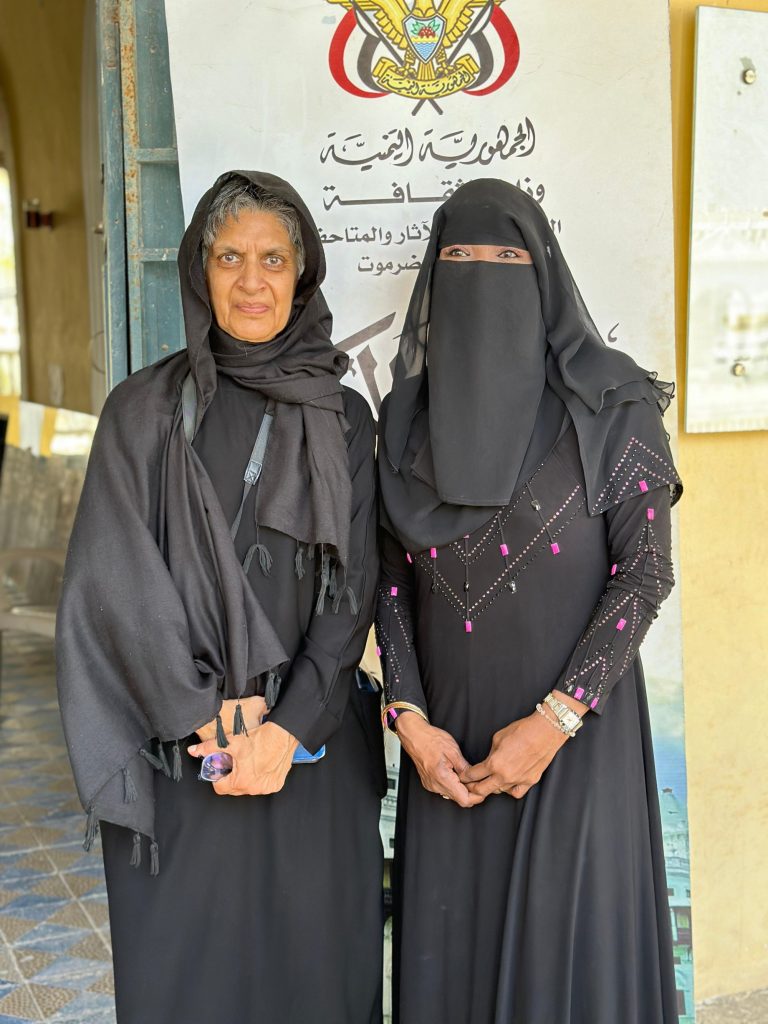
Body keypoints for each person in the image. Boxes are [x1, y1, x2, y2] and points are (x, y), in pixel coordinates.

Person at [57, 171, 384, 1024]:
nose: (251, 281)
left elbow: (351, 594)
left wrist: (286, 729)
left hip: (309, 754)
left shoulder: (346, 419)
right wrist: (205, 714)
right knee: (191, 986)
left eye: (273, 259)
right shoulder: (142, 413)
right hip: (181, 756)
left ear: (301, 274)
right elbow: (113, 585)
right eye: (229, 257)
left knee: (315, 981)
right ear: (199, 272)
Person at [375, 178, 682, 1024]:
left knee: (568, 973)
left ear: (543, 270)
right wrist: (409, 720)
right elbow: (389, 583)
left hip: (576, 746)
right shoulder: (404, 421)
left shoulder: (612, 405)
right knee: (452, 967)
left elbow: (645, 573)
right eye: (460, 257)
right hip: (447, 762)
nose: (483, 275)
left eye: (506, 257)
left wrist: (555, 720)